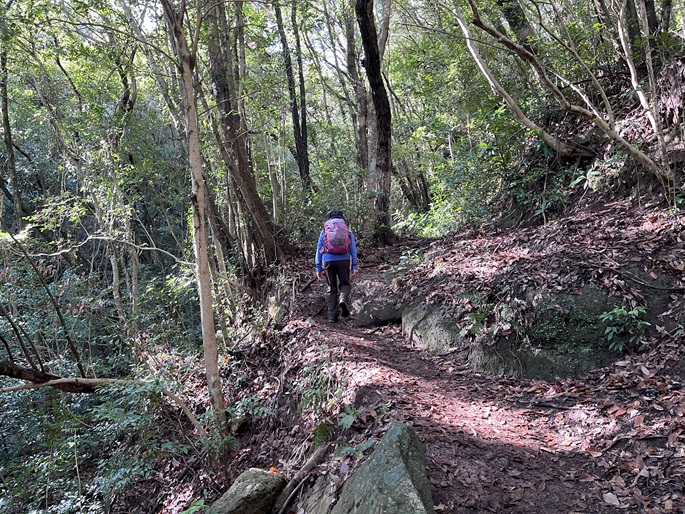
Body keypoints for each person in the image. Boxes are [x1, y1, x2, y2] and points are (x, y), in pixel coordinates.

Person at [315, 210, 358, 322]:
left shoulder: (325, 229)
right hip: (344, 259)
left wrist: (318, 267)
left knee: (331, 288)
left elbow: (319, 248)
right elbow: (353, 248)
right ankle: (342, 299)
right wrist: (354, 265)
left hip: (328, 260)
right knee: (344, 283)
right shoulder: (346, 229)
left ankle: (331, 316)